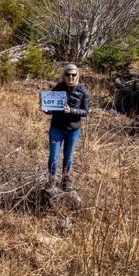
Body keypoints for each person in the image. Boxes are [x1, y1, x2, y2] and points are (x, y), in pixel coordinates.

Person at [41, 63, 89, 191]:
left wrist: (72, 110)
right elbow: (52, 109)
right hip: (56, 128)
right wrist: (46, 110)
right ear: (64, 75)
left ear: (77, 75)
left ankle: (65, 178)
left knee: (68, 155)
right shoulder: (57, 89)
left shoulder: (82, 91)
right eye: (68, 75)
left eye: (73, 75)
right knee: (53, 156)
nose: (71, 77)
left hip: (73, 130)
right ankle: (51, 179)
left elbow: (85, 111)